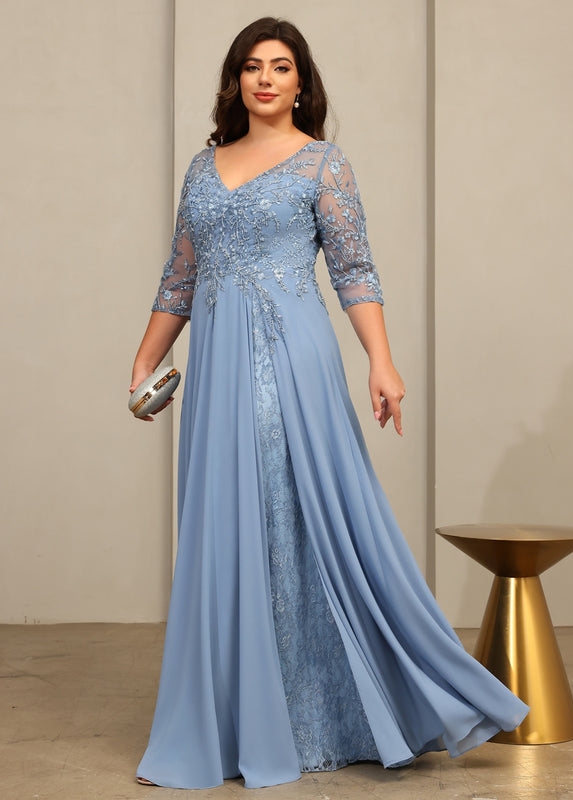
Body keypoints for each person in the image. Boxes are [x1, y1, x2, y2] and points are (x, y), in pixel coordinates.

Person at [130, 16, 528, 791]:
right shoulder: (203, 168)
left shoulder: (324, 164)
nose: (265, 78)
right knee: (226, 524)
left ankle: (325, 711)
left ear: (301, 83)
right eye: (252, 66)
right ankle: (236, 716)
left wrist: (382, 360)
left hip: (292, 358)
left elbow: (354, 270)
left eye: (281, 66)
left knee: (295, 512)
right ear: (235, 81)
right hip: (214, 370)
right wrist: (146, 359)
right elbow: (180, 276)